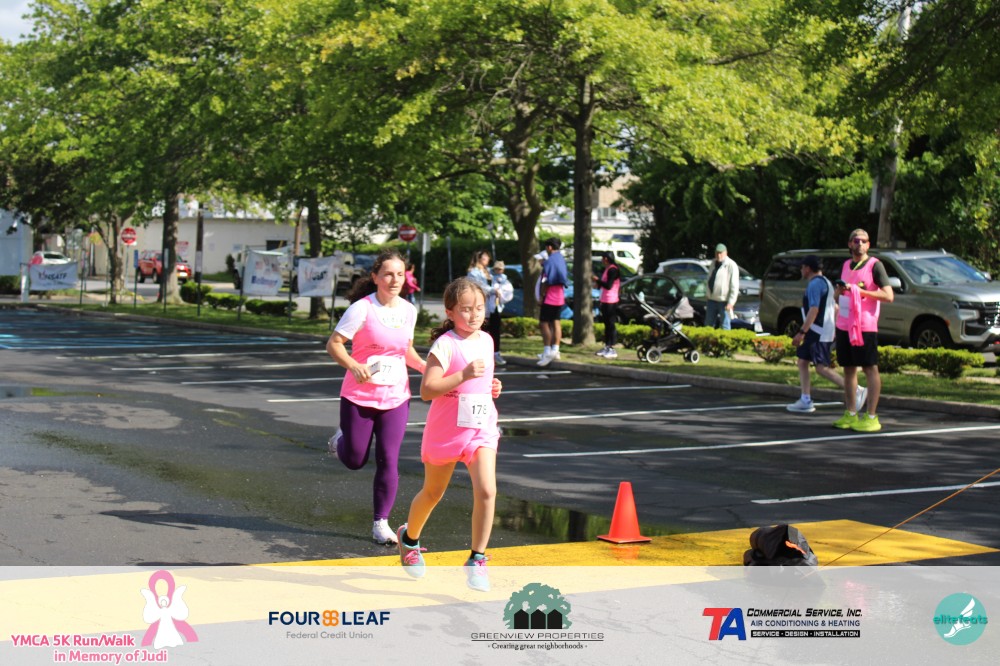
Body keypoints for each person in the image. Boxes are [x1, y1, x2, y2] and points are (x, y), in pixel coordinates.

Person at [395, 277, 503, 592]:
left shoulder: (487, 340)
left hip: (480, 429)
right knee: (433, 493)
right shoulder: (446, 344)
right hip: (446, 431)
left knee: (487, 490)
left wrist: (493, 387)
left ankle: (477, 558)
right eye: (466, 309)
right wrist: (463, 375)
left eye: (479, 308)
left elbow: (483, 382)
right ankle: (409, 539)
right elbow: (428, 390)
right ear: (450, 312)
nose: (474, 314)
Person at [325, 249, 427, 545]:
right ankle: (340, 440)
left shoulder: (409, 310)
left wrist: (425, 368)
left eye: (400, 274)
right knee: (355, 459)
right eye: (388, 274)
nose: (394, 280)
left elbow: (406, 350)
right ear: (375, 277)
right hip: (359, 396)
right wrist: (353, 365)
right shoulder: (362, 309)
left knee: (389, 458)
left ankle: (381, 523)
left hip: (396, 396)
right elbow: (334, 344)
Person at [786, 255, 867, 414]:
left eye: (802, 267)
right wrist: (833, 327)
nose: (801, 270)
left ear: (808, 268)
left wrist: (802, 332)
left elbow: (814, 309)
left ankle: (856, 389)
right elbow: (835, 307)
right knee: (802, 361)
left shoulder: (814, 285)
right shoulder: (826, 282)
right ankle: (805, 399)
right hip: (821, 331)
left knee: (821, 368)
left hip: (817, 332)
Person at [833, 228, 894, 432]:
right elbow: (837, 297)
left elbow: (888, 296)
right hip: (844, 323)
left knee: (869, 368)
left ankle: (871, 416)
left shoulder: (875, 265)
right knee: (849, 368)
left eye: (864, 241)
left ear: (868, 245)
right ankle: (851, 413)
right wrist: (839, 292)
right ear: (849, 244)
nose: (859, 243)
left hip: (865, 325)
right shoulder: (845, 265)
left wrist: (861, 292)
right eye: (856, 240)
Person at [537, 238, 569, 367]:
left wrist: (541, 295)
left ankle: (547, 351)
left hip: (550, 296)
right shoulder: (561, 259)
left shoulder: (549, 261)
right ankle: (555, 349)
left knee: (544, 323)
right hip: (559, 296)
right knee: (556, 322)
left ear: (549, 247)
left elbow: (545, 281)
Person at [592, 250, 620, 359]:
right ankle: (607, 346)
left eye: (602, 258)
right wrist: (598, 284)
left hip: (611, 300)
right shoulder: (607, 269)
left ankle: (612, 348)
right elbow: (603, 284)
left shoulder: (613, 270)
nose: (601, 260)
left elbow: (609, 285)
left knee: (610, 324)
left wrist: (597, 280)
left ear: (606, 259)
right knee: (606, 324)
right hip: (604, 299)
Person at [705, 243, 740, 330]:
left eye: (721, 253)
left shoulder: (731, 265)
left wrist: (731, 302)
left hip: (724, 301)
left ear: (726, 253)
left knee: (725, 326)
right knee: (708, 325)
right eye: (717, 253)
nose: (719, 255)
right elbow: (709, 279)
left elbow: (734, 285)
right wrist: (708, 294)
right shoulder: (713, 263)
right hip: (712, 300)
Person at [486, 260, 514, 366]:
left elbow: (508, 294)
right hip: (487, 309)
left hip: (496, 308)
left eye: (500, 269)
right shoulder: (489, 278)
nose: (498, 271)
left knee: (495, 332)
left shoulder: (505, 281)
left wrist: (500, 294)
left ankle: (496, 353)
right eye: (496, 269)